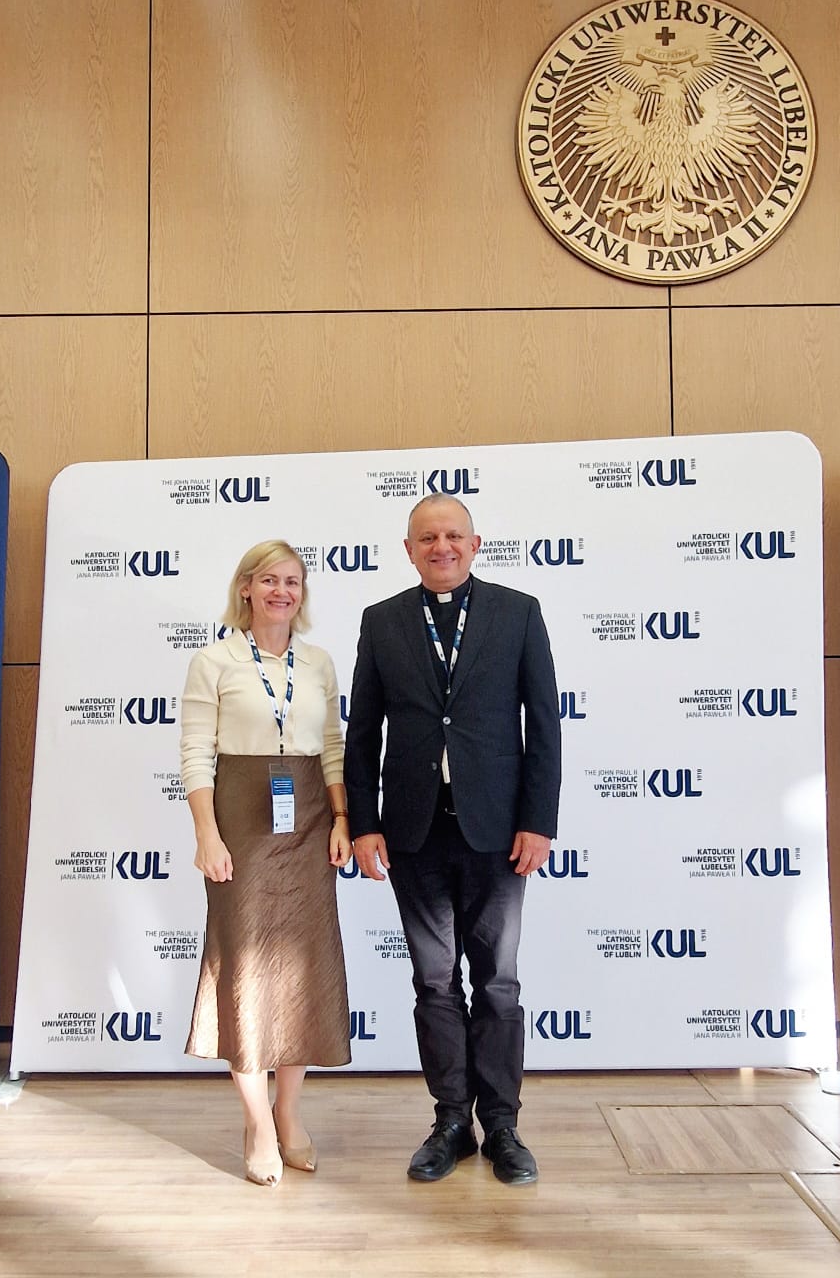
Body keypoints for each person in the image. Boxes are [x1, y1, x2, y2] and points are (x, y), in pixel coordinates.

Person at [344, 495, 561, 1186]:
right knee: (434, 981)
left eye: (453, 536)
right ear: (408, 550)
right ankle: (450, 1124)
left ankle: (502, 1126)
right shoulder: (381, 621)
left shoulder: (517, 612)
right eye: (427, 538)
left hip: (497, 832)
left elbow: (543, 724)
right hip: (413, 831)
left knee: (496, 981)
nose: (442, 547)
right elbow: (362, 732)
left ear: (475, 543)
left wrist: (539, 820)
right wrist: (364, 823)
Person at [180, 540, 351, 1186]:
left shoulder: (318, 663)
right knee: (245, 970)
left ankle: (288, 1113)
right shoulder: (214, 661)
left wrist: (341, 818)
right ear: (246, 588)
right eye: (270, 580)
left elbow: (331, 746)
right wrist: (207, 834)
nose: (282, 591)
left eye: (293, 581)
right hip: (240, 820)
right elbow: (196, 753)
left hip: (309, 820)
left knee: (302, 968)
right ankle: (256, 1123)